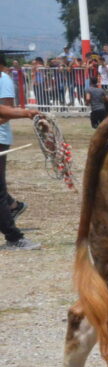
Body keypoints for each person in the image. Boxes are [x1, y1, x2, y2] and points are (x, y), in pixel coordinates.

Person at [0, 55, 42, 249]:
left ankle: (14, 235)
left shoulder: (3, 79)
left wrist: (25, 113)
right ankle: (14, 236)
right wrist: (25, 113)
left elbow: (3, 111)